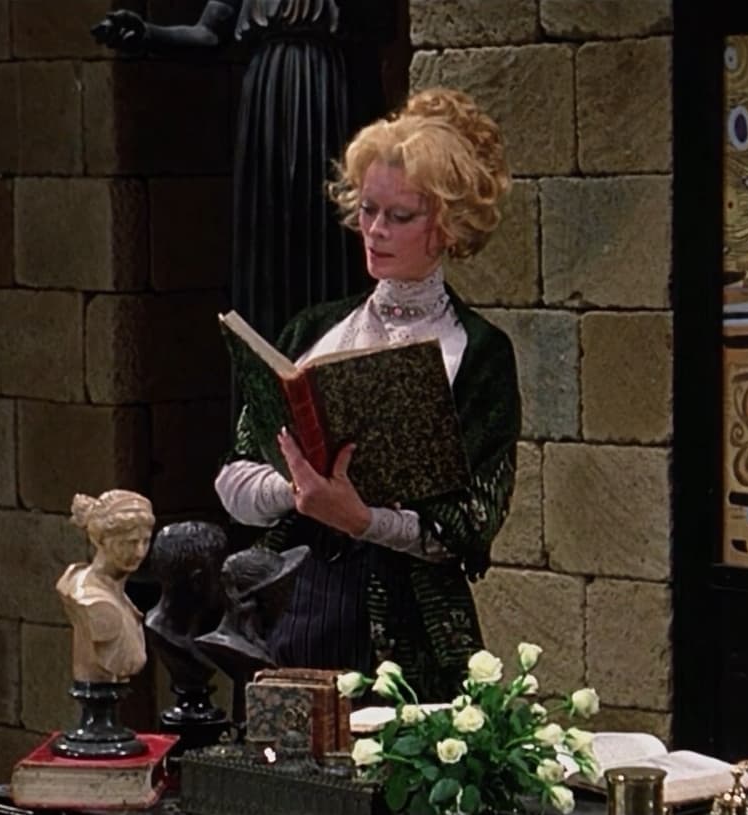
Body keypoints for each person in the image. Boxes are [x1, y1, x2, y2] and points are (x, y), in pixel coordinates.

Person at [213, 86, 520, 701]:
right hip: (293, 609)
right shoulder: (312, 330)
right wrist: (298, 492)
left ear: (447, 226)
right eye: (369, 210)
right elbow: (232, 479)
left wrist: (362, 519)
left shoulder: (479, 353)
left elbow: (471, 524)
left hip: (411, 628)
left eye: (399, 216)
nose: (375, 231)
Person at [90, 0, 396, 344]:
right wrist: (149, 35)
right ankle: (266, 364)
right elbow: (208, 34)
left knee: (333, 235)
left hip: (336, 91)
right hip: (269, 99)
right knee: (268, 247)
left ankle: (338, 357)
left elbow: (382, 25)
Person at [58, 490, 157, 684]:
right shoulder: (96, 602)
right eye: (129, 543)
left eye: (145, 542)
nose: (139, 552)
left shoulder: (115, 592)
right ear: (100, 540)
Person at [145, 521, 230, 723]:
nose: (226, 582)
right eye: (221, 574)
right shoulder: (161, 634)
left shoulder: (211, 627)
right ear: (198, 581)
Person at [195, 545, 311, 682]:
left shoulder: (261, 646)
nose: (288, 604)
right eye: (283, 594)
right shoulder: (247, 654)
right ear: (267, 599)